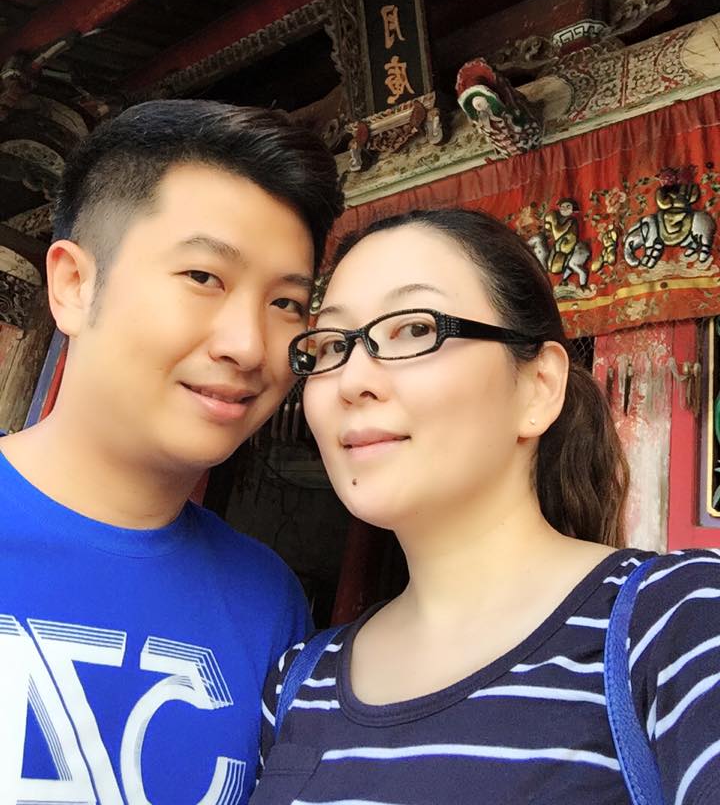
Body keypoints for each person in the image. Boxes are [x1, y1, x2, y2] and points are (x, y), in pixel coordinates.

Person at [253, 208, 720, 804]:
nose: (350, 380)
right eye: (332, 345)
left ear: (538, 387)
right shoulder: (298, 682)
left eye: (414, 329)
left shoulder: (678, 622)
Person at [0, 100, 343, 803]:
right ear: (74, 284)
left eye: (286, 304)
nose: (248, 345)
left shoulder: (267, 603)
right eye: (203, 278)